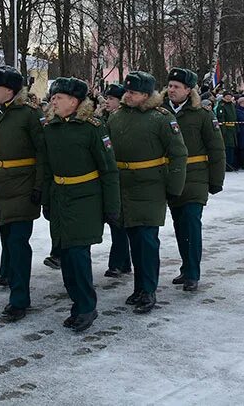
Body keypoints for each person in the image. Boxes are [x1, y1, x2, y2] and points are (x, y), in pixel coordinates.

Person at [40, 77, 120, 331]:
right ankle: (78, 304)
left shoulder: (92, 128)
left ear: (74, 102)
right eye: (53, 97)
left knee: (77, 255)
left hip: (86, 199)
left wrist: (112, 206)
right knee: (65, 255)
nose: (53, 102)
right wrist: (46, 201)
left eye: (58, 98)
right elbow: (46, 168)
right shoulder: (50, 128)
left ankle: (86, 307)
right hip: (60, 197)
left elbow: (108, 170)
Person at [106, 71, 186, 314]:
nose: (128, 95)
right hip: (124, 186)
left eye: (133, 92)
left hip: (150, 186)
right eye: (127, 91)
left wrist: (174, 187)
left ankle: (148, 290)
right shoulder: (116, 117)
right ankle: (139, 288)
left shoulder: (161, 118)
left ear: (146, 95)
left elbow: (178, 153)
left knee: (147, 241)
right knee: (134, 239)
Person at [0, 65, 47, 321]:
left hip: (23, 186)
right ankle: (12, 283)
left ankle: (19, 299)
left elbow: (42, 152)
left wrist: (39, 186)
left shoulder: (29, 114)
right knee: (7, 239)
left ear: (11, 91)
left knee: (18, 243)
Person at [164, 68, 225, 292]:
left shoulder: (202, 114)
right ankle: (186, 266)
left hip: (195, 177)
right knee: (179, 224)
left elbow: (216, 148)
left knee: (191, 223)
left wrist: (216, 181)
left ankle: (192, 272)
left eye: (176, 87)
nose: (171, 90)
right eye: (169, 86)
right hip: (171, 177)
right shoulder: (161, 112)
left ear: (188, 90)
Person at [99, 83, 130, 278]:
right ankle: (124, 262)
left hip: (121, 175)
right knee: (116, 222)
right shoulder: (105, 118)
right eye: (107, 98)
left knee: (118, 222)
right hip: (109, 175)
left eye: (111, 99)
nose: (107, 102)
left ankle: (118, 263)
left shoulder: (123, 120)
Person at [214, 92, 237, 171]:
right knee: (227, 147)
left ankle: (231, 163)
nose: (229, 97)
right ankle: (227, 164)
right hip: (227, 129)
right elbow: (221, 118)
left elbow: (234, 117)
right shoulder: (222, 106)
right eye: (227, 96)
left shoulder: (232, 105)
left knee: (232, 147)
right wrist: (223, 130)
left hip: (232, 129)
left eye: (230, 96)